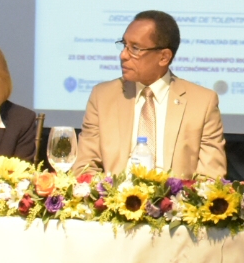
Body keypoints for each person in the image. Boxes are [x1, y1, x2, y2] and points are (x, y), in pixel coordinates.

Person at [72, 10, 226, 178]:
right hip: (115, 193)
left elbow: (211, 178)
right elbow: (84, 169)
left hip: (176, 194)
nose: (123, 55)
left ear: (164, 57)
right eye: (124, 45)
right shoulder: (103, 96)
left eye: (135, 48)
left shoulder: (202, 102)